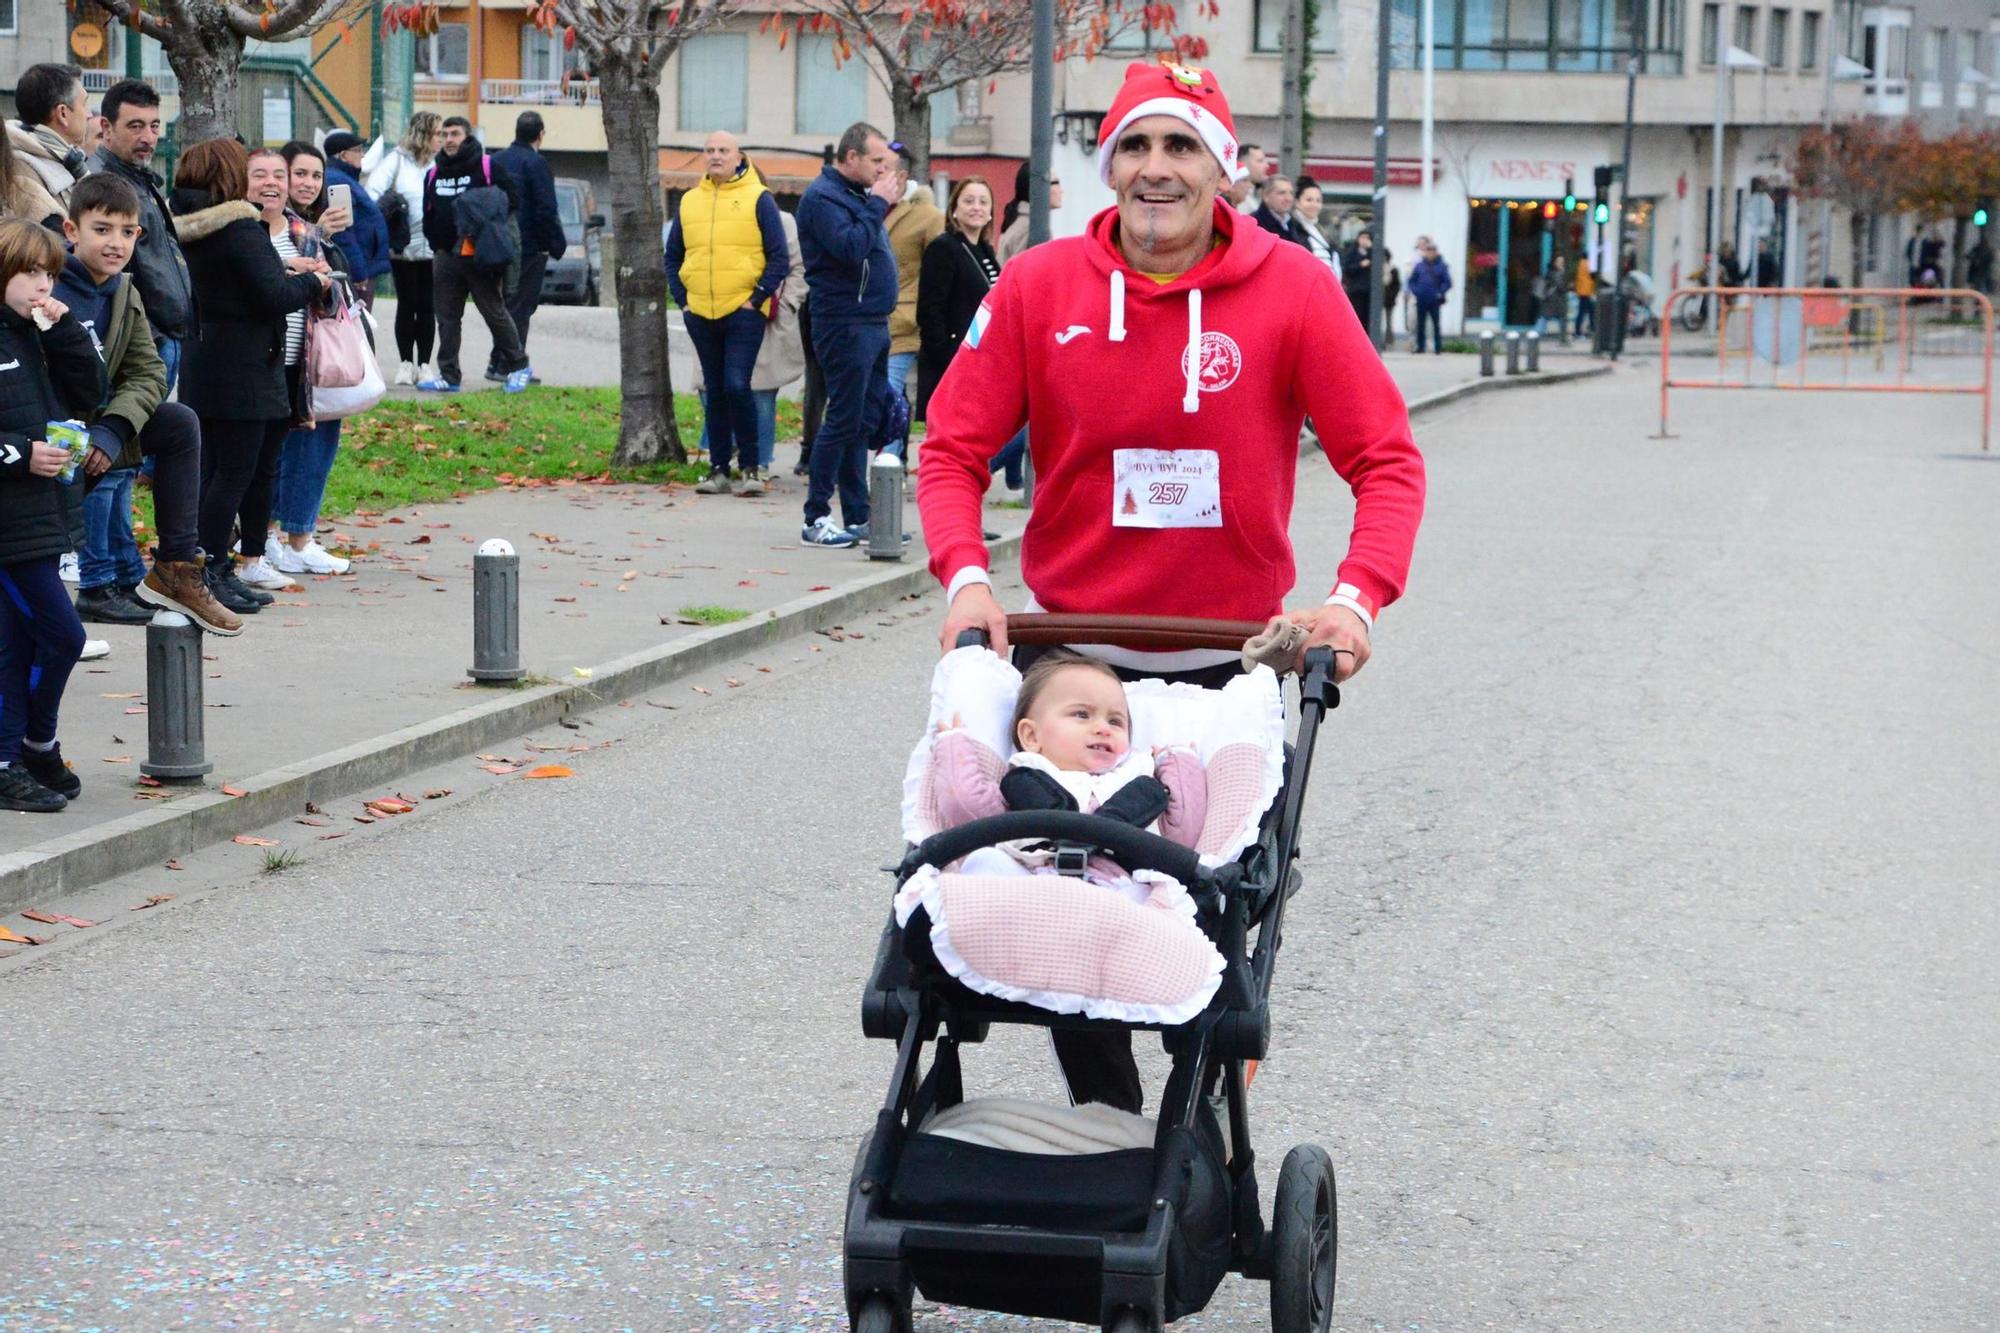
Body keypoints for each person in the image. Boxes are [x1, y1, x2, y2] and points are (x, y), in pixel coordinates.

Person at [915, 61, 1425, 1112]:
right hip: (1074, 662)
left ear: (1221, 170)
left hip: (1224, 666)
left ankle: (1192, 1123)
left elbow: (1385, 460)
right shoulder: (1036, 287)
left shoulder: (1294, 291)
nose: (1155, 170)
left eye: (1180, 147)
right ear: (1109, 168)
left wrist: (1352, 597)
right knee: (1058, 892)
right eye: (1134, 148)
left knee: (1212, 911)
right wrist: (966, 578)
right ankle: (1110, 1130)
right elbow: (951, 448)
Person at [56, 174, 242, 637]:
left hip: (99, 436)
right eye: (102, 229)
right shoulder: (46, 284)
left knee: (178, 423)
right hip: (48, 438)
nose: (116, 243)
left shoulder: (123, 291)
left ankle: (176, 568)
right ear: (71, 230)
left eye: (127, 231)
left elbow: (148, 372)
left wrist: (114, 427)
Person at [172, 138, 331, 616]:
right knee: (235, 474)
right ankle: (213, 569)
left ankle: (209, 567)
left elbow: (240, 281)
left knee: (216, 471)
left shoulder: (195, 227)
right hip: (244, 367)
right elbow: (269, 295)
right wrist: (312, 282)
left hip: (208, 361)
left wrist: (282, 268)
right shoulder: (240, 228)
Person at [933, 649, 1206, 888]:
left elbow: (1185, 832)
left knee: (1161, 892)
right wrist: (954, 746)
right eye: (1081, 714)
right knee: (984, 860)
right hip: (1028, 885)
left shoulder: (1136, 783)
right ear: (1031, 736)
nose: (1102, 728)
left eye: (1115, 721)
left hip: (1113, 891)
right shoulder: (1025, 783)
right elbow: (966, 806)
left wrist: (1176, 763)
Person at [0, 217, 106, 812]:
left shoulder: (39, 331)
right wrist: (19, 455)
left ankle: (15, 754)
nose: (43, 286)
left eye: (49, 274)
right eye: (30, 273)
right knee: (62, 635)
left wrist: (66, 336)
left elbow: (92, 394)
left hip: (44, 514)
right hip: (9, 523)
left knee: (17, 644)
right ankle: (32, 743)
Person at [794, 120, 899, 548]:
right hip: (843, 321)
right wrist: (877, 206)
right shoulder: (822, 198)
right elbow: (850, 248)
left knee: (862, 420)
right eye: (876, 161)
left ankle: (857, 514)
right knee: (841, 419)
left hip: (872, 321)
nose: (881, 170)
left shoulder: (855, 194)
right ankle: (816, 516)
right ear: (850, 157)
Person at [665, 130, 788, 495]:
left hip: (743, 310)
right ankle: (718, 470)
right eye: (710, 150)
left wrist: (758, 296)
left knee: (737, 385)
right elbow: (673, 256)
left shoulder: (758, 198)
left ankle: (750, 468)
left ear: (738, 157)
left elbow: (779, 256)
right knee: (714, 389)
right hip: (700, 309)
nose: (716, 156)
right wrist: (683, 299)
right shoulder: (689, 202)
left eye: (723, 150)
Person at [266, 141, 359, 579]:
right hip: (281, 354)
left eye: (316, 176)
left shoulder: (314, 228)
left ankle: (299, 536)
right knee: (278, 448)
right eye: (298, 174)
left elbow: (341, 280)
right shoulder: (279, 227)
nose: (307, 183)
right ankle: (270, 538)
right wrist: (317, 236)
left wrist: (326, 238)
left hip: (319, 355)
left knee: (318, 440)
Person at [689, 207, 807, 481]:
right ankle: (721, 455)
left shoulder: (782, 221)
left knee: (761, 391)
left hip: (764, 315)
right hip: (713, 312)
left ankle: (759, 462)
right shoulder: (709, 211)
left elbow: (796, 267)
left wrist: (787, 303)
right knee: (713, 386)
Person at [418, 116, 529, 394]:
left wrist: (481, 222)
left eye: (455, 134)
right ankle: (449, 375)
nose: (449, 140)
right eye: (444, 135)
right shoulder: (434, 173)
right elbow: (427, 213)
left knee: (494, 312)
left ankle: (519, 366)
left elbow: (512, 201)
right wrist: (437, 244)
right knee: (446, 317)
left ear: (467, 137)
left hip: (479, 256)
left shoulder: (487, 166)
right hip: (445, 256)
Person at [366, 111, 442, 385]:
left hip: (433, 247)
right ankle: (405, 363)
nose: (441, 139)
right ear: (423, 135)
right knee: (407, 303)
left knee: (427, 305)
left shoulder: (439, 164)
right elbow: (373, 195)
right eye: (437, 134)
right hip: (403, 247)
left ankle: (424, 364)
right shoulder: (395, 162)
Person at [915, 176, 999, 422]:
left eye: (984, 202)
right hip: (953, 362)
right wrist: (947, 356)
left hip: (982, 361)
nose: (977, 207)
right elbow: (930, 310)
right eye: (969, 201)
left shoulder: (985, 251)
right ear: (954, 208)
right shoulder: (943, 248)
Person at [491, 112, 567, 381]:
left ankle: (497, 360)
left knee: (503, 304)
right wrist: (556, 245)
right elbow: (545, 209)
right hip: (528, 246)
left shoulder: (497, 160)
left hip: (498, 242)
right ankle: (510, 364)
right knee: (521, 307)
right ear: (540, 134)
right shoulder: (537, 164)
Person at [884, 143, 943, 451]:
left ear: (902, 175)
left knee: (891, 390)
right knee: (888, 394)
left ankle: (888, 468)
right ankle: (895, 456)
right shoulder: (869, 204)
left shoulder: (927, 216)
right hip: (874, 317)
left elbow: (939, 271)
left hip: (907, 319)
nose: (878, 173)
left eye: (885, 168)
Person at [8, 64, 93, 228]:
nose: (89, 114)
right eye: (84, 104)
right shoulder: (22, 173)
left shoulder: (67, 161)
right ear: (63, 114)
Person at [318, 130, 391, 308]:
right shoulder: (337, 182)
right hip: (356, 269)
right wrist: (358, 271)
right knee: (358, 325)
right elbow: (342, 232)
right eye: (357, 150)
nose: (362, 154)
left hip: (363, 263)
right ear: (343, 155)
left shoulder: (346, 178)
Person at [998, 160, 1063, 267]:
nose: (1061, 190)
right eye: (1055, 183)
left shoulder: (1021, 221)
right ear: (1038, 187)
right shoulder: (1032, 227)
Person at [1407, 238, 1451, 354]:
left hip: (1434, 300)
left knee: (1435, 325)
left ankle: (1437, 348)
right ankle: (1420, 347)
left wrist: (1440, 292)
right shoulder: (1420, 266)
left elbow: (1447, 282)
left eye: (1432, 251)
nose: (1430, 253)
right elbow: (1411, 281)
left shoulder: (1441, 266)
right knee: (1420, 325)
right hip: (1421, 299)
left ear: (1436, 252)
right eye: (1428, 251)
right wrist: (1417, 291)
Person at [1292, 177, 1339, 277]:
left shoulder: (1320, 231)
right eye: (1309, 200)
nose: (1314, 205)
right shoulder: (1291, 229)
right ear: (1297, 202)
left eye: (1318, 201)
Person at [1252, 174, 1311, 249]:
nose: (1288, 198)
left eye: (1291, 193)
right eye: (1282, 193)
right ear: (1266, 196)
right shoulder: (1255, 224)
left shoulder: (1296, 225)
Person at [1341, 227, 1377, 325]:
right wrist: (1360, 265)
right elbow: (1347, 269)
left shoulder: (1372, 253)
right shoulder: (1352, 253)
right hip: (1356, 289)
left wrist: (1370, 249)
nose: (1364, 240)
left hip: (1369, 290)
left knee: (1367, 317)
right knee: (1357, 315)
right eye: (1362, 237)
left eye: (1367, 238)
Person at [1226, 141, 1266, 214]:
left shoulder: (1257, 194)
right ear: (1242, 162)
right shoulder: (1235, 198)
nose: (1266, 166)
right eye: (1260, 161)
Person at [1572, 255, 1597, 336]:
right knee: (1589, 312)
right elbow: (1593, 276)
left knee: (1585, 311)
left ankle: (1580, 329)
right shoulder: (1589, 264)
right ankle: (1589, 329)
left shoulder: (1580, 264)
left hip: (1582, 291)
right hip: (1588, 291)